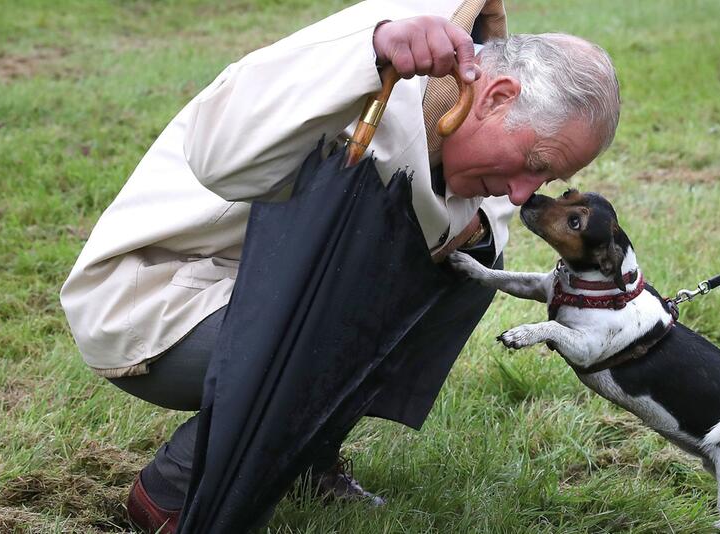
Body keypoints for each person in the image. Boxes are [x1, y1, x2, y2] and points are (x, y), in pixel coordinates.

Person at [59, 0, 619, 531]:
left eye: (544, 180)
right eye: (533, 165)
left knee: (466, 273)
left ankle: (301, 455)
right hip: (158, 295)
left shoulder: (467, 101)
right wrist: (368, 55)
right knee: (360, 308)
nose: (524, 195)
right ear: (495, 96)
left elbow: (464, 223)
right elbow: (218, 156)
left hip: (267, 292)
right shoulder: (389, 48)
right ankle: (174, 488)